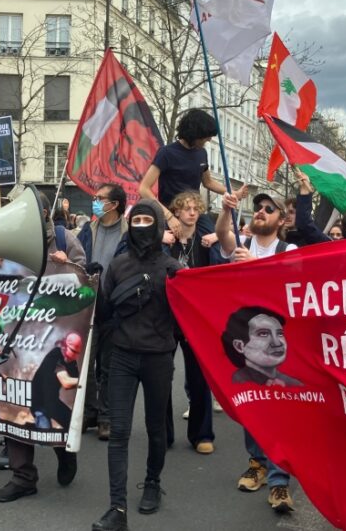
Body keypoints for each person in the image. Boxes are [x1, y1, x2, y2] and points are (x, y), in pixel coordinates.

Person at [91, 199, 182, 531]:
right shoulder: (117, 266)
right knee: (119, 432)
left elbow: (188, 313)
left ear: (158, 224)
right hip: (123, 357)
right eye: (137, 219)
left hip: (158, 358)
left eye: (148, 219)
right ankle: (117, 508)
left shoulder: (172, 268)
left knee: (156, 429)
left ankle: (153, 483)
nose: (142, 224)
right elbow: (103, 314)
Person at [0, 192, 84, 503]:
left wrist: (68, 264)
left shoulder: (65, 239)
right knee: (16, 405)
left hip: (52, 337)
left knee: (48, 401)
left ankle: (62, 449)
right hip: (17, 337)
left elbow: (86, 281)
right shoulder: (4, 243)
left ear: (46, 212)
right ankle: (23, 476)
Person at [215, 190, 298, 513]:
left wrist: (257, 267)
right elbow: (223, 234)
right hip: (247, 342)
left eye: (268, 209)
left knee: (279, 410)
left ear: (281, 219)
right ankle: (257, 462)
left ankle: (279, 481)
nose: (261, 212)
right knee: (252, 405)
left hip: (279, 343)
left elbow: (289, 287)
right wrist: (225, 209)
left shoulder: (288, 249)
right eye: (258, 208)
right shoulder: (241, 244)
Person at [138, 109, 247, 240]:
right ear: (194, 134)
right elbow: (144, 188)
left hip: (194, 211)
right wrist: (169, 216)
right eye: (206, 137)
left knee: (216, 241)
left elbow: (209, 182)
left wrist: (233, 193)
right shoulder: (166, 153)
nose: (209, 140)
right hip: (171, 212)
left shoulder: (202, 153)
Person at [77, 183, 129, 440]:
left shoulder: (128, 234)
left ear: (115, 205)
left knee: (108, 365)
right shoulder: (88, 229)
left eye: (100, 198)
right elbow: (77, 259)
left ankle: (106, 416)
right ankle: (90, 411)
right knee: (85, 363)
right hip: (88, 304)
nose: (95, 201)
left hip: (114, 308)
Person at [167, 192, 215, 455]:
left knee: (199, 377)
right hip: (167, 316)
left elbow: (231, 249)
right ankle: (162, 432)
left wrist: (219, 237)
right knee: (162, 376)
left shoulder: (206, 243)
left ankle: (202, 433)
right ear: (176, 212)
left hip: (195, 317)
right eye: (186, 208)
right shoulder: (167, 241)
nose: (192, 212)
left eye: (196, 208)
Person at [222, 306, 303, 387]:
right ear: (239, 346)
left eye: (280, 334)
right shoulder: (236, 382)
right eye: (263, 334)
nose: (277, 343)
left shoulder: (293, 383)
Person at [31, 333, 82, 429]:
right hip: (39, 403)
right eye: (73, 351)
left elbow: (74, 383)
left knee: (74, 426)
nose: (75, 356)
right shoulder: (55, 355)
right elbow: (66, 383)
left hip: (52, 402)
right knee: (45, 435)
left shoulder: (71, 361)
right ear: (64, 346)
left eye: (77, 353)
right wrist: (85, 380)